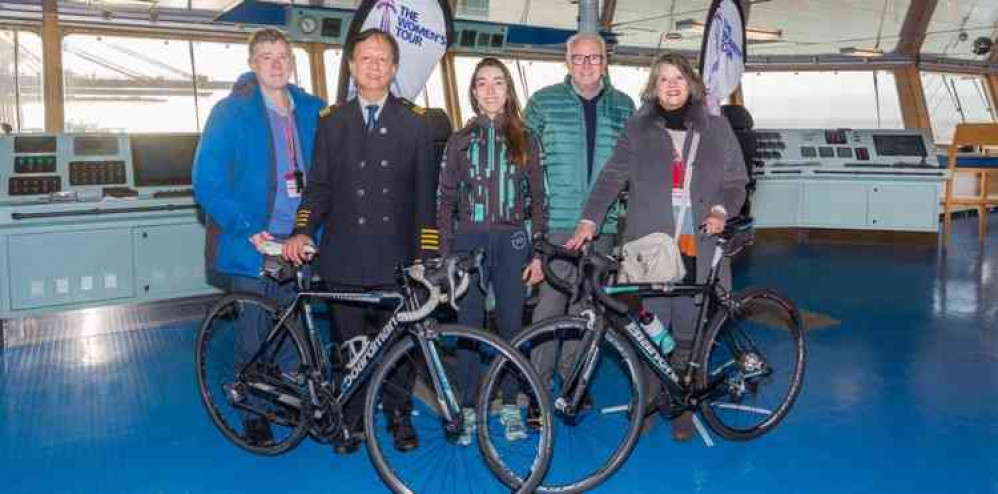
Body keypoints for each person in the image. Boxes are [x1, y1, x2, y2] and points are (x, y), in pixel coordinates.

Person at [565, 51, 749, 441]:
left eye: (678, 78)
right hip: (649, 245)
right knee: (648, 326)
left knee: (687, 327)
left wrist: (720, 210)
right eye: (663, 79)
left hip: (698, 243)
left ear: (692, 84)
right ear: (654, 87)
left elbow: (736, 181)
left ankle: (683, 401)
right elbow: (612, 177)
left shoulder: (717, 129)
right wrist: (589, 219)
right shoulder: (638, 129)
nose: (671, 85)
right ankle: (648, 399)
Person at [283, 28, 438, 455]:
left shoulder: (415, 123)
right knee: (348, 342)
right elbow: (318, 189)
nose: (373, 65)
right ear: (352, 67)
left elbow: (427, 196)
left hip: (396, 256)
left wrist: (425, 256)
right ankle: (350, 416)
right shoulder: (333, 123)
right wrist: (302, 229)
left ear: (393, 68)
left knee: (400, 345)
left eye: (382, 58)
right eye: (365, 58)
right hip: (345, 254)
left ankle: (399, 415)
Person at [192, 28, 325, 446]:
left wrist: (311, 230)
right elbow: (207, 181)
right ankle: (249, 404)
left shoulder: (311, 110)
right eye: (266, 56)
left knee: (292, 331)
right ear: (252, 63)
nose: (276, 63)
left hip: (297, 241)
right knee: (254, 329)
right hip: (253, 241)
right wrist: (248, 227)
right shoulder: (231, 112)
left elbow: (326, 176)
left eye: (283, 55)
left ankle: (286, 397)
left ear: (292, 61)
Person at [436, 57, 547, 444]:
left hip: (514, 241)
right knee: (468, 328)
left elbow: (539, 201)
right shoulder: (458, 141)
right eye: (482, 83)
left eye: (498, 82)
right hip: (469, 242)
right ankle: (468, 408)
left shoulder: (527, 138)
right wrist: (448, 255)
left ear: (508, 90)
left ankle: (513, 404)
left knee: (512, 325)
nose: (490, 90)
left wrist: (538, 254)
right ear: (473, 91)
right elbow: (445, 199)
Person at [523, 32, 636, 389]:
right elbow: (523, 163)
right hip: (558, 224)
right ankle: (537, 388)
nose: (587, 65)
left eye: (595, 58)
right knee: (548, 310)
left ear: (605, 62)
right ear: (568, 62)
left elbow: (633, 167)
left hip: (602, 228)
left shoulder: (624, 106)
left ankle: (571, 382)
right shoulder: (543, 102)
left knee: (586, 310)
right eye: (579, 58)